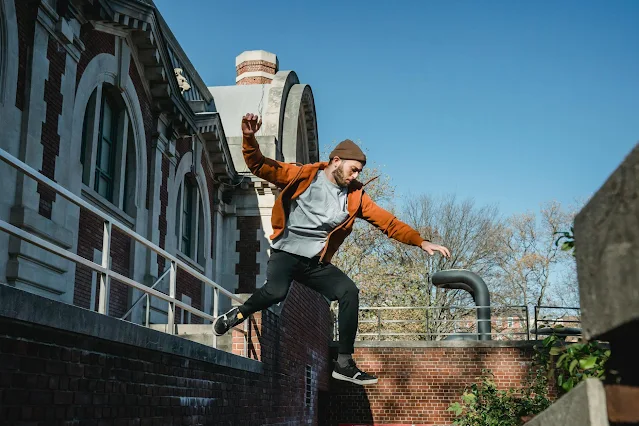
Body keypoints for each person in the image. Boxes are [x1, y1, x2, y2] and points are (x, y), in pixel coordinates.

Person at [213, 113, 451, 385]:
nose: (356, 175)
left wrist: (420, 241)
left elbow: (388, 223)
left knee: (348, 291)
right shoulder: (302, 175)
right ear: (336, 161)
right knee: (276, 292)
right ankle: (239, 313)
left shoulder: (355, 197)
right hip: (286, 253)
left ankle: (344, 362)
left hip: (314, 263)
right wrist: (248, 137)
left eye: (360, 171)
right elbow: (259, 166)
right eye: (353, 169)